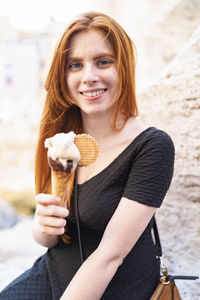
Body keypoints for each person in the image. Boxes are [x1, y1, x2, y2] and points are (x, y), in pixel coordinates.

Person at [0, 11, 175, 300]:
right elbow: (50, 239)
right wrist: (43, 225)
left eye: (103, 61)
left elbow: (110, 256)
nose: (89, 76)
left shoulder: (152, 146)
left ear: (124, 67)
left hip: (115, 287)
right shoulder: (62, 139)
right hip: (53, 273)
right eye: (75, 65)